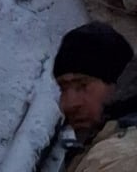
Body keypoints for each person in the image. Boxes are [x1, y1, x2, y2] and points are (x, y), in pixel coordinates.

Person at [53, 20, 136, 170]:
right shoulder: (98, 147)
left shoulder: (121, 158)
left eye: (83, 86)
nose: (70, 104)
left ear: (118, 84)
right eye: (63, 89)